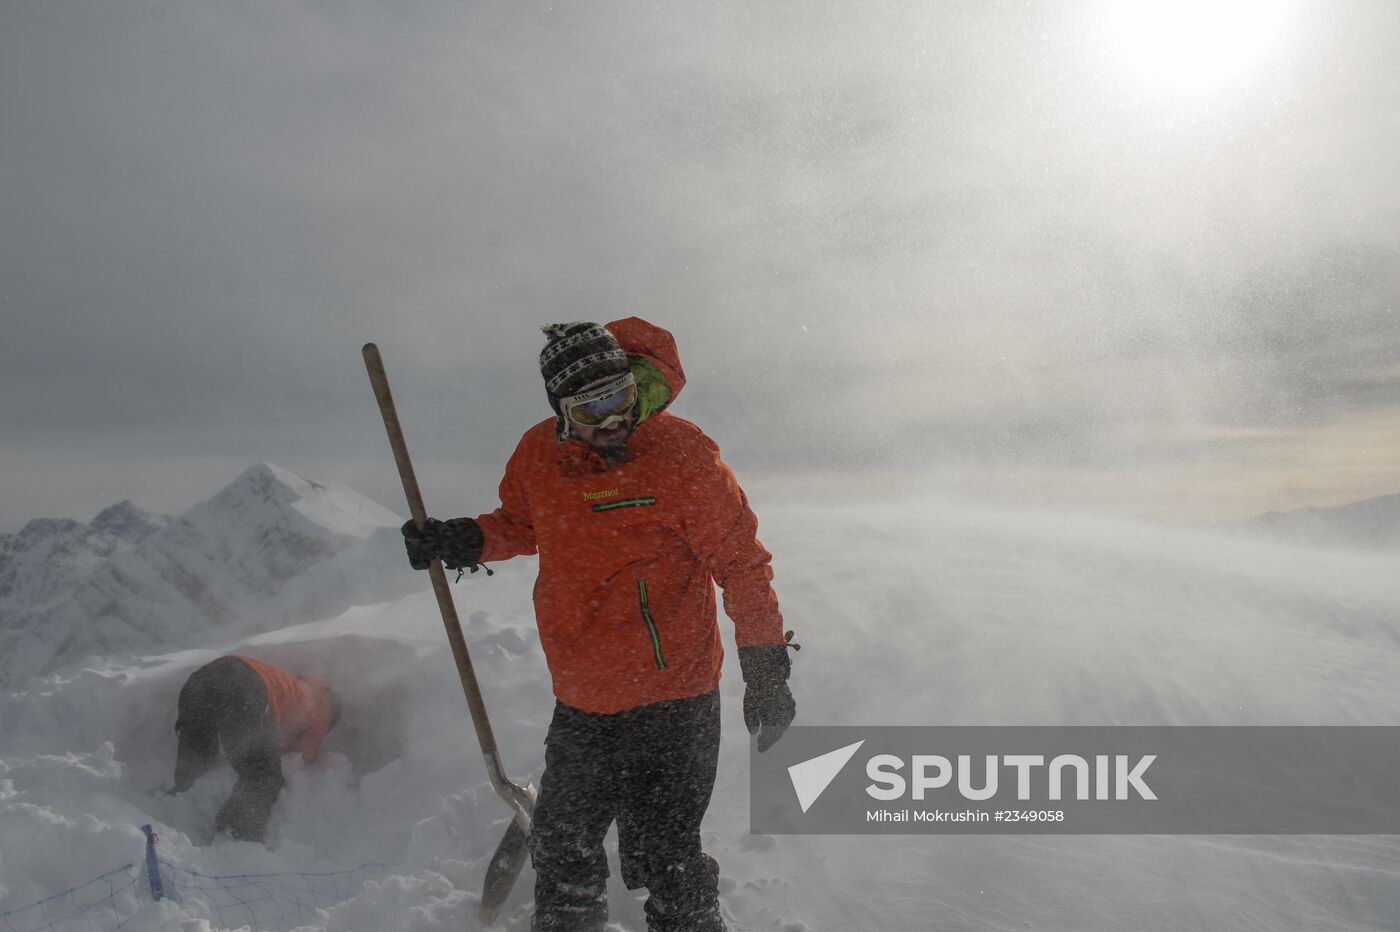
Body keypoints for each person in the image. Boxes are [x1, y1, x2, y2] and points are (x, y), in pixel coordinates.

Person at [401, 318, 796, 932]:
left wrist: (766, 667)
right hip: (585, 697)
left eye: (619, 397)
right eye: (589, 409)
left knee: (665, 856)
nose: (611, 419)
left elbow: (742, 565)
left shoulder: (682, 454)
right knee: (561, 849)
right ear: (559, 410)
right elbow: (523, 524)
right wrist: (466, 539)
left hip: (674, 698)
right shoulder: (538, 454)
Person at [171, 655, 339, 843]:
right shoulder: (322, 708)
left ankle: (173, 805)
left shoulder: (296, 686)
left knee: (199, 755)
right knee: (263, 775)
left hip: (203, 678)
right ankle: (235, 836)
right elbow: (302, 756)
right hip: (244, 688)